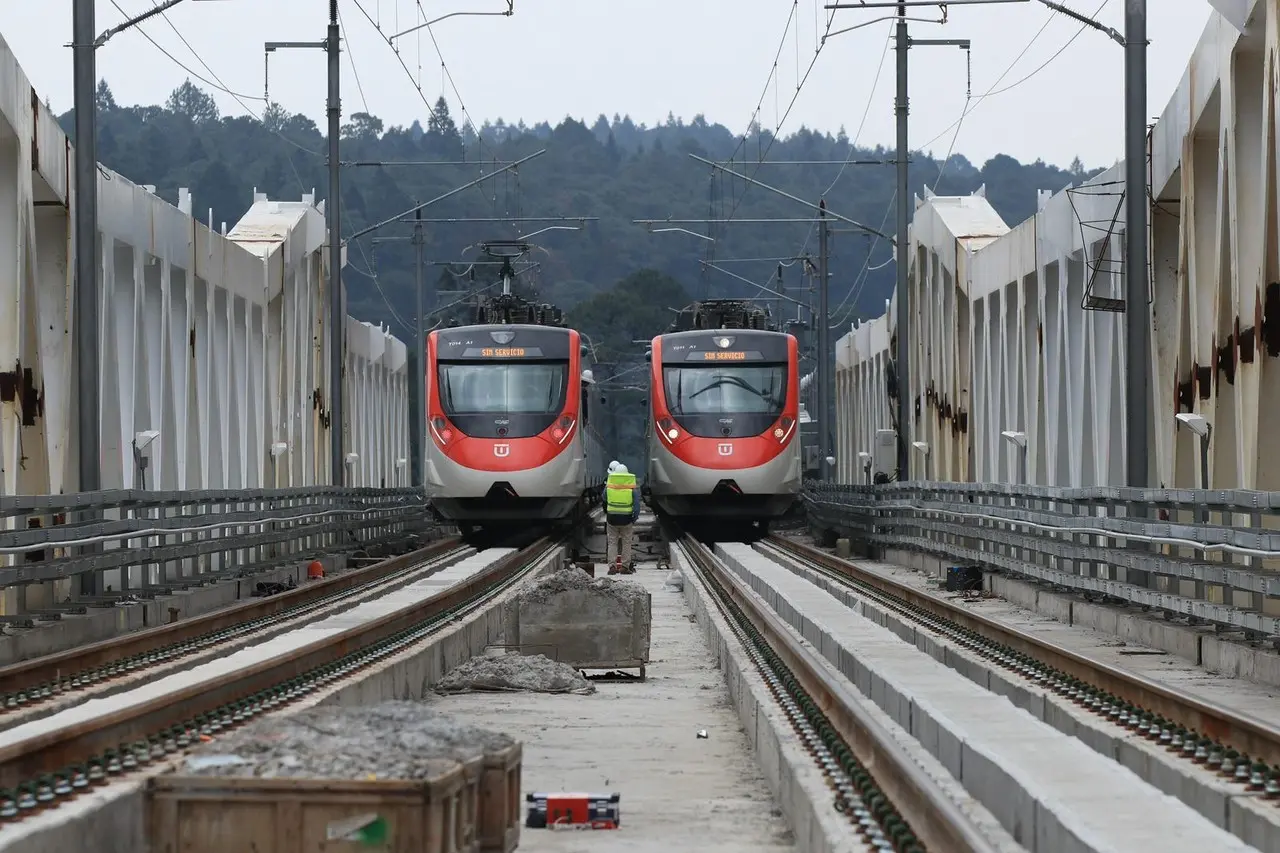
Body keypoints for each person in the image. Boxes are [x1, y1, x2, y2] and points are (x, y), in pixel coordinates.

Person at [603, 461, 640, 573]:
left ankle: (612, 567)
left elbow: (604, 499)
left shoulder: (608, 487)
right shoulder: (631, 489)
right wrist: (634, 518)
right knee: (627, 542)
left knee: (612, 542)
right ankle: (625, 566)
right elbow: (637, 506)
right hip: (627, 519)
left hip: (612, 519)